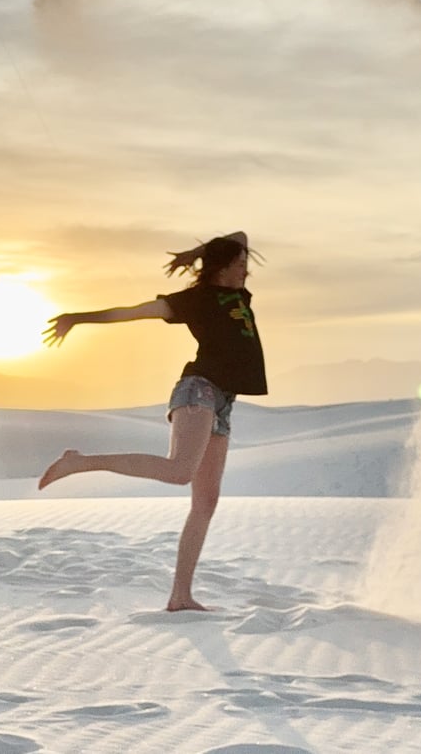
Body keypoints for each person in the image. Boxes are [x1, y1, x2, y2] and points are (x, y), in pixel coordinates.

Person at [38, 231, 267, 611]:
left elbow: (240, 234)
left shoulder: (239, 294)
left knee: (206, 501)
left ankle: (180, 597)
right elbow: (133, 312)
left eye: (246, 264)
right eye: (239, 265)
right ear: (221, 269)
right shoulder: (194, 301)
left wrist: (197, 252)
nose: (246, 270)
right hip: (200, 390)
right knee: (180, 471)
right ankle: (79, 462)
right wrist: (77, 318)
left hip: (223, 401)